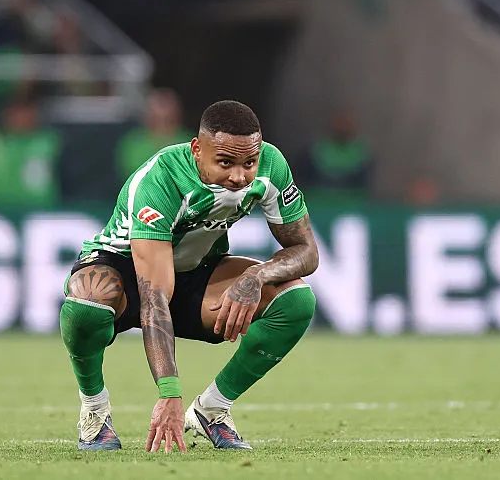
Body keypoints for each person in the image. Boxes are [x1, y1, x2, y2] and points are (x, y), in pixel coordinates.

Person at [60, 100, 319, 452]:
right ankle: (94, 411)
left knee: (296, 300)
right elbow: (153, 296)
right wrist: (169, 394)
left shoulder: (271, 166)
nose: (240, 177)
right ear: (197, 150)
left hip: (194, 273)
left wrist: (256, 276)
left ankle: (212, 410)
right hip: (125, 270)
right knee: (89, 297)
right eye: (225, 162)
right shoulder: (162, 178)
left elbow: (305, 250)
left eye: (249, 163)